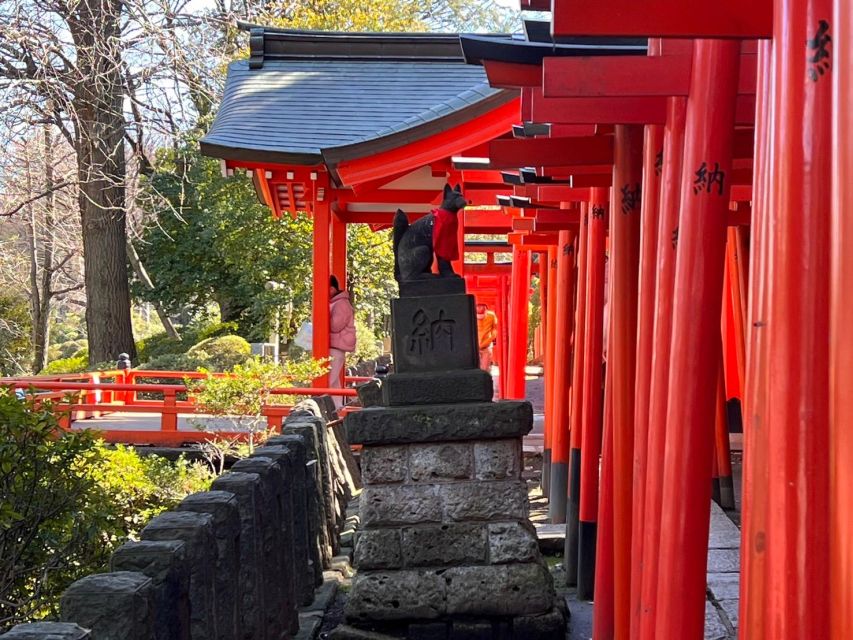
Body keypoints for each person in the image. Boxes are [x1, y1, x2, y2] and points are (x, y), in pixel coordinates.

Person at [329, 275, 356, 408]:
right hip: (336, 345)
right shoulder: (337, 303)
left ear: (332, 289)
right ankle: (338, 408)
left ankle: (332, 408)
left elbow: (335, 326)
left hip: (337, 346)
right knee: (334, 383)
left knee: (329, 380)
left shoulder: (341, 303)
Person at [476, 303, 498, 372]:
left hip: (487, 345)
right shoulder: (470, 315)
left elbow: (495, 330)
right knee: (475, 368)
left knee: (485, 369)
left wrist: (489, 339)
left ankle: (486, 380)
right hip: (475, 346)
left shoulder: (491, 315)